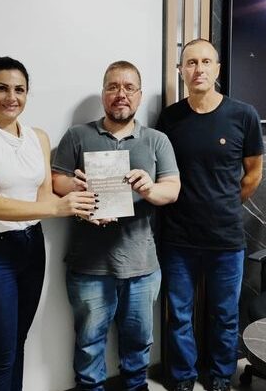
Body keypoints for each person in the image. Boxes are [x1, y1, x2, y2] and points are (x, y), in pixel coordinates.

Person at [0, 56, 96, 391]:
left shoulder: (37, 137)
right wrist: (58, 207)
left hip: (31, 249)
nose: (11, 97)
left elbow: (43, 199)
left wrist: (83, 197)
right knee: (1, 356)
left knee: (17, 346)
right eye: (2, 88)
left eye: (19, 89)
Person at [52, 60, 181, 391]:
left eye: (129, 87)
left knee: (139, 344)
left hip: (142, 265)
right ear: (103, 94)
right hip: (89, 265)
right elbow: (56, 180)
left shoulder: (156, 140)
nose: (121, 94)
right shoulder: (77, 135)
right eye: (113, 87)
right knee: (89, 344)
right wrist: (75, 187)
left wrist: (149, 189)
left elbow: (172, 189)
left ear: (139, 95)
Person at [157, 39, 264, 391]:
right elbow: (161, 171)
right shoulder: (170, 118)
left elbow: (253, 174)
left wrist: (226, 204)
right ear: (181, 70)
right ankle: (183, 377)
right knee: (179, 315)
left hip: (226, 238)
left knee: (225, 315)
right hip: (178, 237)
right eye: (191, 62)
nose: (198, 69)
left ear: (217, 69)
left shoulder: (243, 115)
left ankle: (220, 376)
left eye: (206, 62)